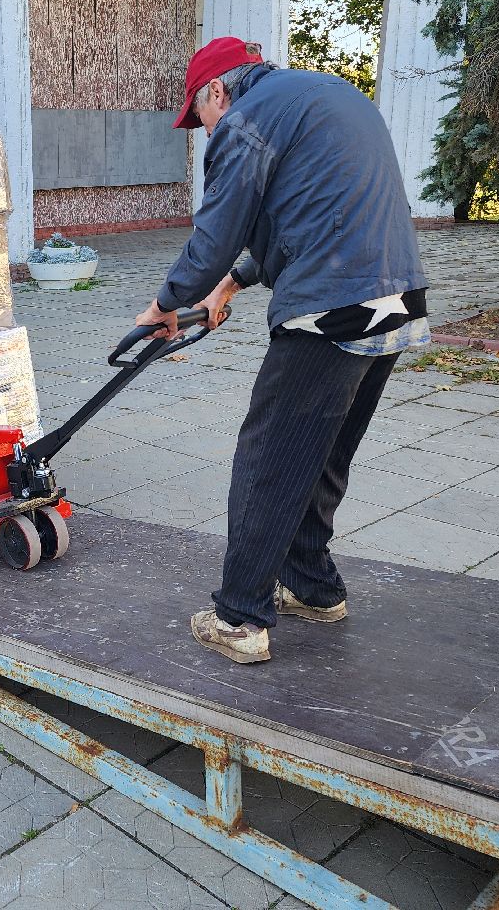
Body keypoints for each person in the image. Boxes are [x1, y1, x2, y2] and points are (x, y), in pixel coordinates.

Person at [135, 37, 429, 664]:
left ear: (218, 90)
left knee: (268, 456)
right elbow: (296, 216)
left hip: (331, 302)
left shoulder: (245, 121)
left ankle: (240, 617)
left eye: (199, 116)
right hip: (397, 299)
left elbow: (217, 229)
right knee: (321, 452)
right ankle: (315, 587)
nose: (204, 130)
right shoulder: (321, 95)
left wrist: (166, 303)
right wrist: (229, 286)